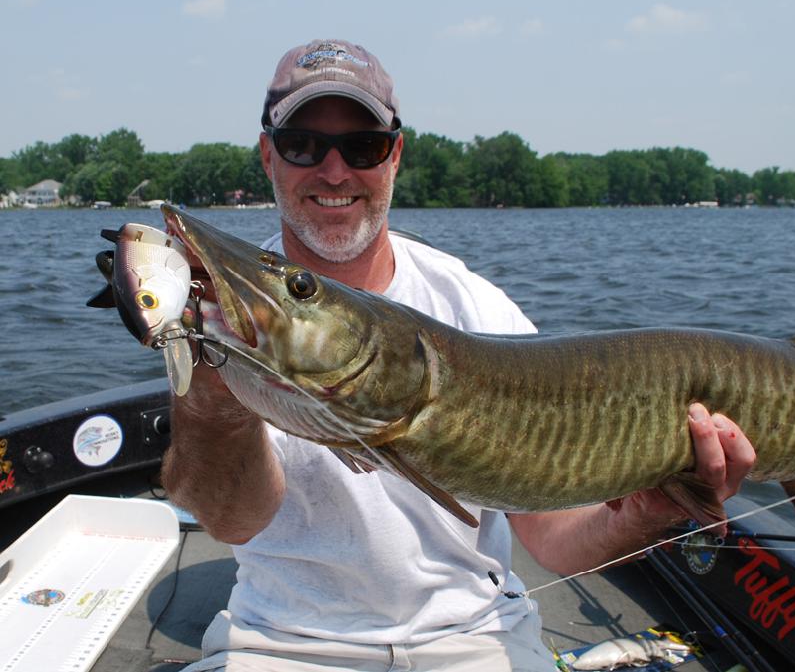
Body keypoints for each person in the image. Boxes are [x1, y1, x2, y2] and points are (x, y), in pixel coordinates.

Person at [162, 39, 756, 672]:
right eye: (302, 144)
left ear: (394, 155)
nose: (334, 171)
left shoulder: (474, 305)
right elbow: (233, 519)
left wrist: (644, 513)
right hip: (285, 640)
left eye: (361, 146)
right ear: (267, 154)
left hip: (476, 634)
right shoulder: (234, 317)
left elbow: (550, 537)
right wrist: (213, 393)